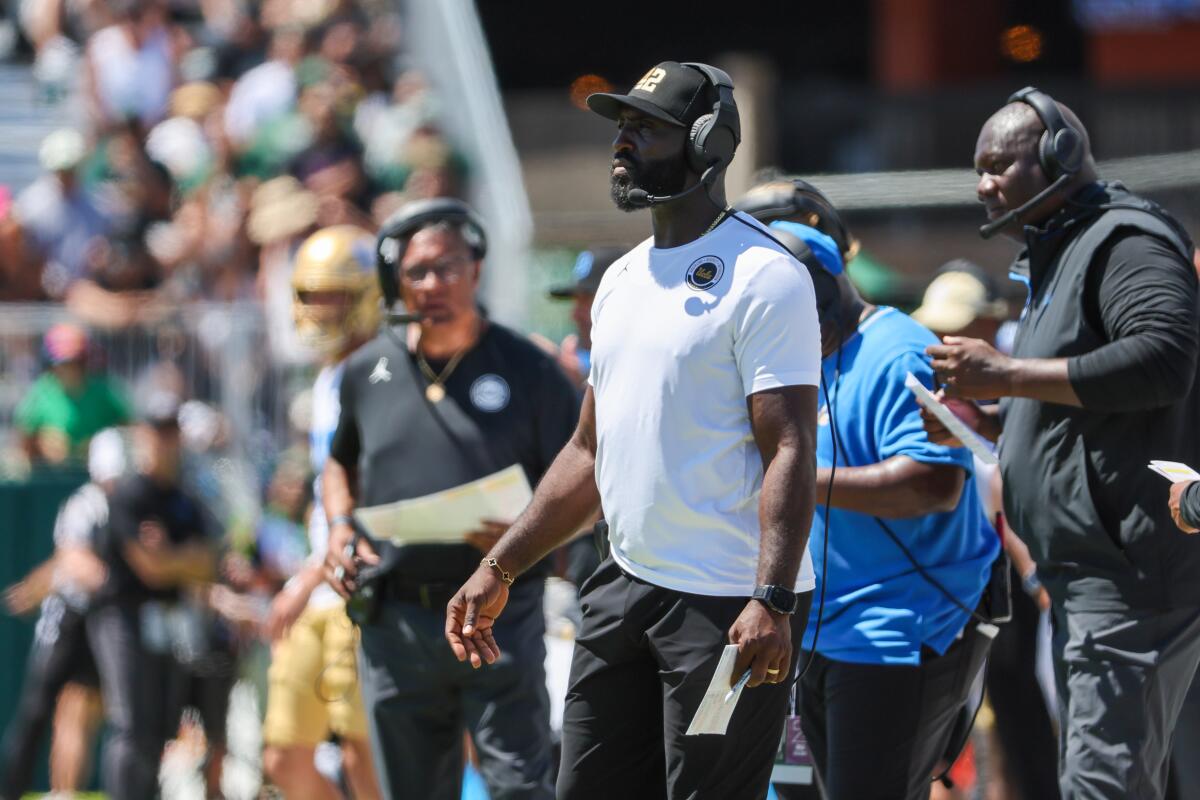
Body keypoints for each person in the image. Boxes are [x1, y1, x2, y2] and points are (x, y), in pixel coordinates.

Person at [444, 61, 821, 799]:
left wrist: (772, 601)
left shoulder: (766, 275)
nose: (622, 142)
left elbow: (790, 446)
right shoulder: (618, 281)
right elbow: (588, 450)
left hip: (725, 612)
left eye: (645, 127)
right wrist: (500, 565)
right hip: (621, 587)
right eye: (622, 125)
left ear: (709, 144)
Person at [925, 87, 1200, 799]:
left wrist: (1007, 374)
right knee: (1107, 777)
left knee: (1102, 783)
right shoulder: (1065, 251)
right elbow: (1084, 417)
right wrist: (985, 424)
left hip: (1126, 573)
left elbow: (1164, 359)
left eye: (997, 165)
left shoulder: (1124, 239)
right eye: (978, 168)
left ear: (1059, 157)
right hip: (1088, 574)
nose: (982, 184)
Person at [322, 198, 579, 799]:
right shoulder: (365, 372)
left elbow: (579, 480)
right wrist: (339, 523)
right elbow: (340, 460)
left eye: (448, 267)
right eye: (417, 272)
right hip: (396, 619)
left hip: (499, 614)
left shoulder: (530, 368)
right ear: (396, 281)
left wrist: (522, 540)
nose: (433, 284)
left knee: (520, 786)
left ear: (477, 271)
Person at [746, 205, 997, 800]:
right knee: (796, 793)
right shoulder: (792, 358)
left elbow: (935, 484)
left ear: (829, 292)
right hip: (811, 631)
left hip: (894, 630)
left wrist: (800, 479)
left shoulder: (899, 350)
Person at [912, 260, 1061, 800]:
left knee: (1017, 700)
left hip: (1004, 577)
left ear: (986, 325)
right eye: (938, 327)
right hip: (954, 577)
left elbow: (1009, 485)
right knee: (969, 707)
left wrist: (1030, 569)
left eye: (957, 326)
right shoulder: (939, 395)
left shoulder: (1006, 388)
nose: (946, 339)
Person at [261, 225, 381, 800]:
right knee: (283, 756)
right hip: (319, 581)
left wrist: (306, 577)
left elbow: (368, 491)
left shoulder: (382, 373)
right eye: (309, 294)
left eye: (331, 294)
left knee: (364, 754)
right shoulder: (330, 373)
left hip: (354, 582)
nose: (315, 308)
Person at [88, 391, 218, 799]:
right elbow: (151, 567)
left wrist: (172, 557)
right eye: (157, 431)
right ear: (142, 435)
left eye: (171, 431)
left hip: (169, 620)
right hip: (122, 618)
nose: (165, 440)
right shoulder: (129, 494)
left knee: (163, 726)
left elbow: (209, 562)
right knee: (132, 725)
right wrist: (181, 559)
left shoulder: (185, 497)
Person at [0, 428, 124, 799]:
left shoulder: (127, 505)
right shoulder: (85, 505)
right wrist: (37, 587)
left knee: (83, 707)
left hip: (104, 617)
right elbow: (71, 561)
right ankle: (18, 789)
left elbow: (67, 562)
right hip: (72, 619)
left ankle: (65, 792)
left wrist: (37, 586)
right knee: (42, 709)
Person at [15, 322, 131, 465]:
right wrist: (42, 444)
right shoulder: (40, 395)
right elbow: (24, 445)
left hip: (97, 477)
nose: (70, 370)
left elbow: (129, 429)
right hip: (50, 480)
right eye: (64, 364)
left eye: (75, 363)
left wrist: (99, 444)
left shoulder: (104, 393)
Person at [542, 247, 624, 389]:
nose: (575, 315)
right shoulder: (574, 357)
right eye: (576, 301)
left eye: (587, 301)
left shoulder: (650, 363)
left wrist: (582, 382)